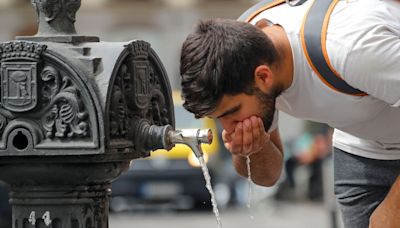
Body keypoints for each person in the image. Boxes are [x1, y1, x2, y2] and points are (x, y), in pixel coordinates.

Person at [178, 0, 400, 227]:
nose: (229, 127)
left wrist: (394, 210)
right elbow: (269, 175)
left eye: (233, 112)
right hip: (361, 147)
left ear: (264, 76)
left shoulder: (352, 48)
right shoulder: (242, 51)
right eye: (220, 118)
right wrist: (252, 149)